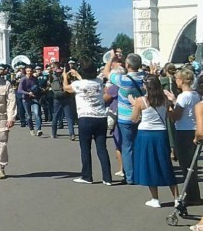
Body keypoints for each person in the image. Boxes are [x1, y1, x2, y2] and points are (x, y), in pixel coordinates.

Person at [131, 75, 179, 207]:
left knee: (148, 164)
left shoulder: (141, 100)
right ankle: (177, 198)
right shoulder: (165, 100)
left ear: (145, 86)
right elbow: (172, 117)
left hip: (145, 134)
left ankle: (155, 198)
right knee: (165, 165)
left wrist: (133, 104)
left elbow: (134, 119)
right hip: (161, 134)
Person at [64, 63, 112, 185]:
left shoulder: (78, 84)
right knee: (102, 148)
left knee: (85, 148)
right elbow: (88, 83)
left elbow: (66, 88)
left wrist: (65, 77)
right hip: (100, 117)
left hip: (85, 117)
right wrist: (78, 75)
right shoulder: (99, 82)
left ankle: (87, 175)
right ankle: (107, 177)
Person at [105, 52, 145, 185]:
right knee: (139, 146)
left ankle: (130, 176)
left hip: (125, 118)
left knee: (127, 147)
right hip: (141, 116)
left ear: (127, 65)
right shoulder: (145, 78)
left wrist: (111, 59)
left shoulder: (123, 80)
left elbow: (106, 73)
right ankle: (142, 173)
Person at [168, 67, 200, 204]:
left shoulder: (183, 96)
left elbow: (176, 116)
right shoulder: (195, 95)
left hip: (183, 131)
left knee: (186, 164)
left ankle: (192, 195)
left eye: (176, 79)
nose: (176, 81)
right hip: (192, 129)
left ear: (181, 80)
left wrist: (169, 107)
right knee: (192, 164)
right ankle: (194, 194)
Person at [18, 66, 43, 136]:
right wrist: (28, 93)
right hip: (25, 99)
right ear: (26, 71)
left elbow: (37, 87)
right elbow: (19, 90)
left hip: (34, 98)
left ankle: (38, 129)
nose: (30, 72)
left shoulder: (35, 79)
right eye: (28, 71)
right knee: (29, 116)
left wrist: (36, 92)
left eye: (31, 71)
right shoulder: (23, 79)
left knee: (37, 114)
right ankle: (31, 129)